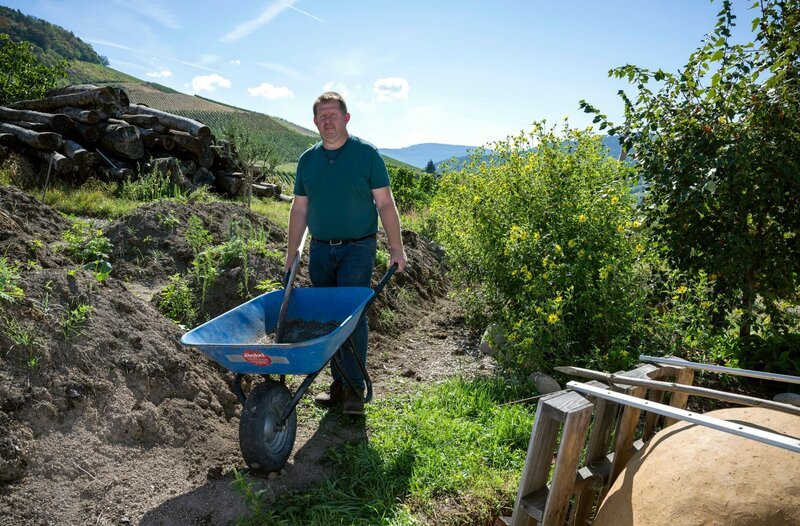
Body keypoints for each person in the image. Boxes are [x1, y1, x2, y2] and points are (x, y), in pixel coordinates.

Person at [285, 91, 408, 415]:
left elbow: (384, 203)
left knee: (352, 317)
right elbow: (299, 210)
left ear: (346, 118)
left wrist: (397, 248)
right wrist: (292, 253)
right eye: (321, 116)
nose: (328, 121)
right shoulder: (307, 161)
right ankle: (338, 385)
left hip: (358, 248)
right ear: (314, 122)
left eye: (333, 115)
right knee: (327, 320)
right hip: (321, 251)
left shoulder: (366, 155)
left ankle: (354, 390)